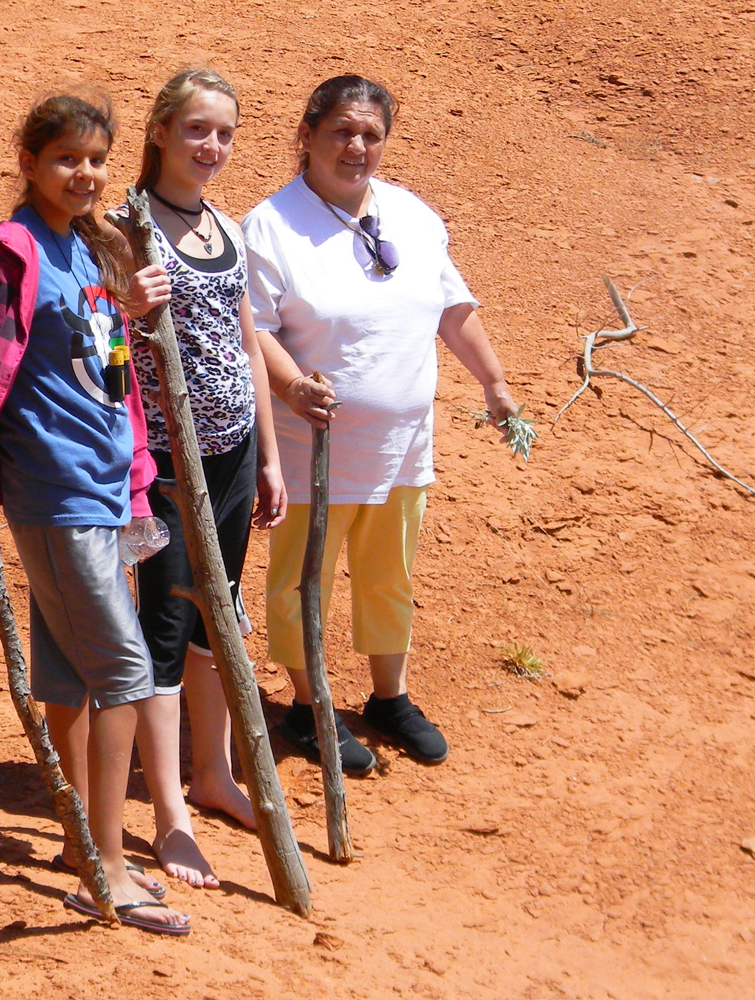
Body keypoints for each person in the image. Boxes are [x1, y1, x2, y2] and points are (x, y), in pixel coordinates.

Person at [0, 93, 189, 935]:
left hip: (103, 488)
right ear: (28, 162)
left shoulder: (90, 249)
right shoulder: (15, 254)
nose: (86, 174)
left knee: (72, 675)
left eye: (97, 160)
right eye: (67, 158)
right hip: (57, 493)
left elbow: (102, 372)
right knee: (123, 675)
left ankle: (81, 842)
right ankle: (104, 869)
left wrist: (128, 314)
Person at [242, 75, 520, 776]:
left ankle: (388, 697)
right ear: (305, 136)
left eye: (370, 134)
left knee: (387, 576)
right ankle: (308, 706)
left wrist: (493, 382)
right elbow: (256, 330)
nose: (356, 146)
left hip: (400, 448)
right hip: (314, 452)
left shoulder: (412, 216)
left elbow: (450, 306)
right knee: (302, 583)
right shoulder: (270, 227)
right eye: (340, 131)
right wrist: (294, 385)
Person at [109, 69, 286, 884]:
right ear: (158, 133)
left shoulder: (223, 224)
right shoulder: (123, 227)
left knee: (222, 615)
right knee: (167, 625)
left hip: (234, 452)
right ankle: (168, 814)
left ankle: (213, 776)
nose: (210, 146)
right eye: (195, 130)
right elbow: (100, 343)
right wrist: (124, 313)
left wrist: (272, 455)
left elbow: (247, 341)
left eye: (223, 133)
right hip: (164, 463)